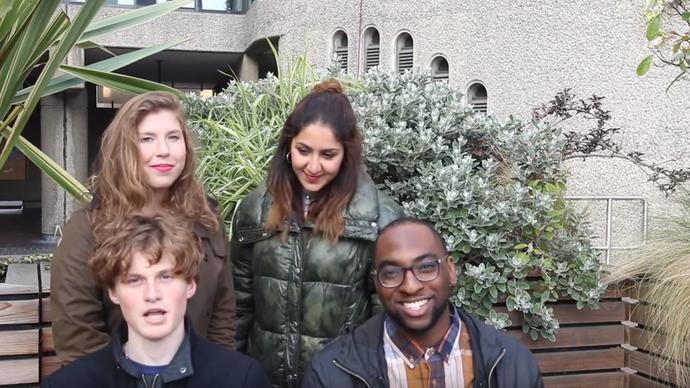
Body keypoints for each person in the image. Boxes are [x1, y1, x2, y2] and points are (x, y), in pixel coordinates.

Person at [231, 79, 405, 387]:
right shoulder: (255, 208)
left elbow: (389, 320)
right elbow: (239, 305)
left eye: (328, 154)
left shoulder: (380, 218)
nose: (313, 166)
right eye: (303, 150)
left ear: (346, 154)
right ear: (288, 146)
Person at [51, 91, 235, 365]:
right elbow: (79, 338)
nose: (164, 150)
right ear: (124, 149)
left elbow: (223, 316)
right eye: (147, 139)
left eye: (173, 137)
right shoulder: (88, 228)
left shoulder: (206, 219)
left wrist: (219, 374)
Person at [302, 218, 544, 388]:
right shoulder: (332, 372)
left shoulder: (511, 363)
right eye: (391, 272)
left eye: (426, 267)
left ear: (450, 270)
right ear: (376, 283)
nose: (410, 286)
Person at [42, 213, 270, 388]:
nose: (152, 294)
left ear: (191, 284)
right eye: (134, 280)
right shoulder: (70, 384)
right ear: (113, 292)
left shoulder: (241, 380)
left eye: (166, 277)